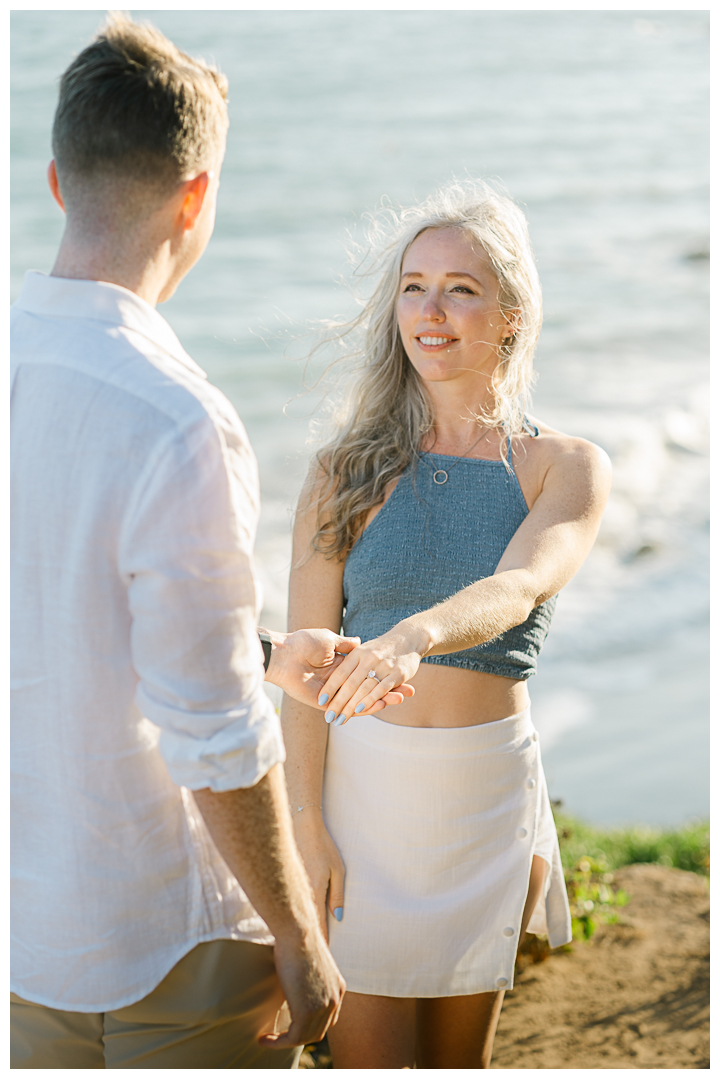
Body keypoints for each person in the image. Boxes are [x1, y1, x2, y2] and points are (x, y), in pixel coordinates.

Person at [10, 15, 412, 1069]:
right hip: (166, 941)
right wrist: (296, 934)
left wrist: (267, 651)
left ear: (58, 180)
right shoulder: (174, 416)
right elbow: (214, 734)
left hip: (22, 931)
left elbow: (56, 603)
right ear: (197, 196)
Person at [281, 179, 613, 1069]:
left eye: (461, 288)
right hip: (361, 806)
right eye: (413, 285)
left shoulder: (564, 466)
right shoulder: (341, 471)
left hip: (487, 800)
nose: (432, 310)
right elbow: (300, 676)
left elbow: (521, 586)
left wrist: (414, 633)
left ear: (509, 312)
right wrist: (304, 828)